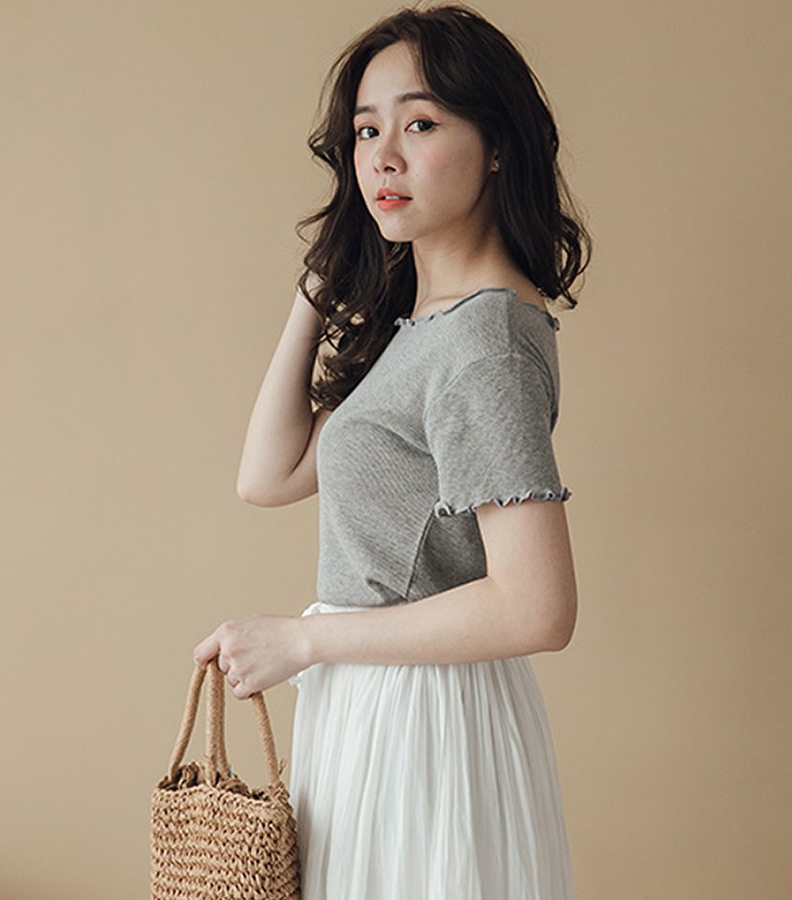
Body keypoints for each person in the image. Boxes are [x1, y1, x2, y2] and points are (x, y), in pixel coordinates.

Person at [193, 3, 591, 897]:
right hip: (383, 706)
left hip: (421, 722)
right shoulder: (425, 331)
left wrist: (304, 640)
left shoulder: (481, 343)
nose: (382, 156)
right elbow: (266, 475)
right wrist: (319, 285)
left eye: (421, 124)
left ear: (497, 145)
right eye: (368, 130)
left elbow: (538, 606)